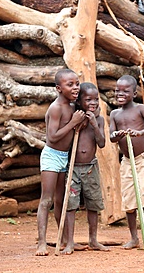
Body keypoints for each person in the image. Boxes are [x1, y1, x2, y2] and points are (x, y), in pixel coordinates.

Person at [36, 68, 86, 256]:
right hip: (52, 156)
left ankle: (64, 240)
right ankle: (41, 243)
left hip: (65, 157)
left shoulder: (74, 107)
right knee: (46, 200)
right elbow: (53, 137)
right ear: (58, 88)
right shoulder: (56, 108)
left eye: (77, 83)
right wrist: (73, 123)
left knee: (60, 200)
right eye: (70, 84)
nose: (75, 87)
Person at [109, 75, 144, 250]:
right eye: (117, 90)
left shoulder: (140, 109)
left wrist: (139, 132)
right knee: (129, 200)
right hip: (127, 161)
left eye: (125, 91)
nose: (120, 93)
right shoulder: (115, 114)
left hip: (143, 159)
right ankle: (134, 238)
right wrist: (117, 135)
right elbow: (111, 136)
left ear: (134, 93)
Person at [62, 82, 109, 255]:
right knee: (71, 205)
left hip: (90, 167)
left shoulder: (99, 119)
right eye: (88, 99)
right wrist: (78, 124)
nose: (93, 102)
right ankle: (70, 242)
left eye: (96, 99)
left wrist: (94, 125)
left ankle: (93, 239)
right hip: (73, 167)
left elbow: (102, 143)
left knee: (93, 203)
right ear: (79, 101)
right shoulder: (74, 116)